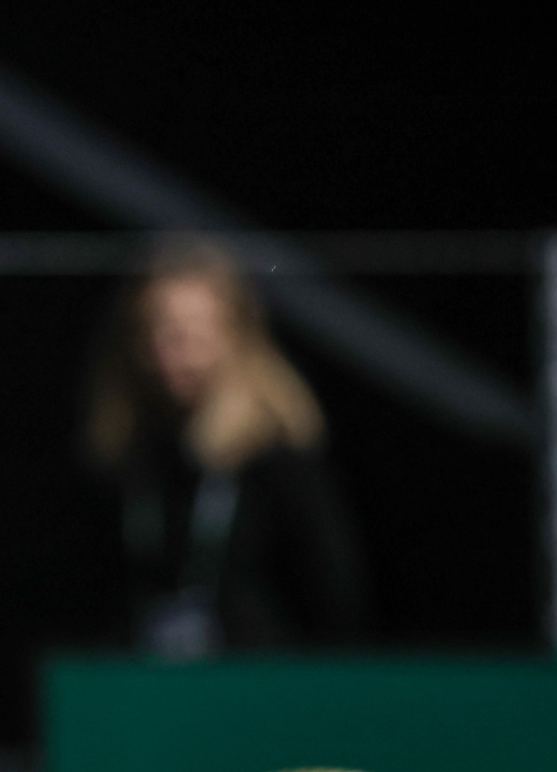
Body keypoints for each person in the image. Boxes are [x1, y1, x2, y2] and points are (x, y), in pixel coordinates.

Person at [86, 236, 366, 656]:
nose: (172, 351)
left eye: (192, 331)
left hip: (258, 680)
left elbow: (336, 598)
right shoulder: (127, 458)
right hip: (148, 680)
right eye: (156, 330)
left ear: (235, 335)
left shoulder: (277, 459)